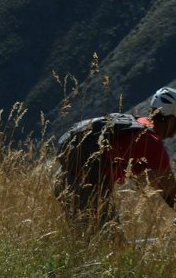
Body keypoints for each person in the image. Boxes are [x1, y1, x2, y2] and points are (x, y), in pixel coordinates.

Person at [54, 87, 176, 239]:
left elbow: (153, 180)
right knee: (113, 246)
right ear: (170, 119)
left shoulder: (137, 123)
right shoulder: (153, 144)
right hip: (85, 189)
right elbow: (169, 187)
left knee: (85, 244)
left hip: (65, 179)